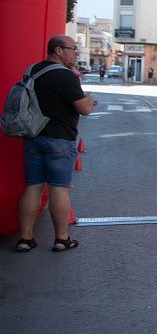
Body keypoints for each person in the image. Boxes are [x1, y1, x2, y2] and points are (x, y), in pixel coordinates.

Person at [15, 35, 98, 252]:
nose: (76, 53)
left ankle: (25, 239)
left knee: (33, 186)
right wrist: (90, 100)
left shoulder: (32, 70)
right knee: (59, 189)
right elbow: (84, 109)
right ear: (58, 51)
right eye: (73, 49)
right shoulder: (65, 76)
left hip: (33, 137)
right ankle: (61, 238)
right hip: (60, 139)